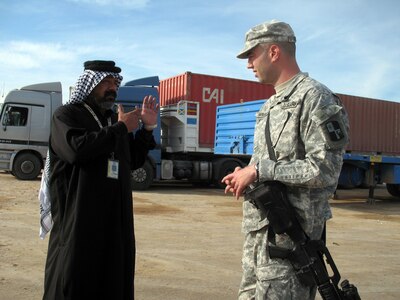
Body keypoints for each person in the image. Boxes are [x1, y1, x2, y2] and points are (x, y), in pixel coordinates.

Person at [222, 20, 349, 299]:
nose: (248, 64)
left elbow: (324, 171)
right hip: (258, 242)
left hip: (290, 249)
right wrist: (245, 174)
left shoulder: (317, 98)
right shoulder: (270, 105)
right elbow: (266, 164)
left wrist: (258, 171)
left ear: (274, 52)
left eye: (251, 55)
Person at [41, 60, 158, 299]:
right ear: (90, 83)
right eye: (106, 82)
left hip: (114, 223)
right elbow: (76, 150)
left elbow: (131, 160)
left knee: (111, 280)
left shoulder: (113, 120)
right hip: (79, 221)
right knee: (74, 280)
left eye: (115, 83)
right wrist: (121, 128)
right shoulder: (66, 115)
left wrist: (147, 129)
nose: (112, 88)